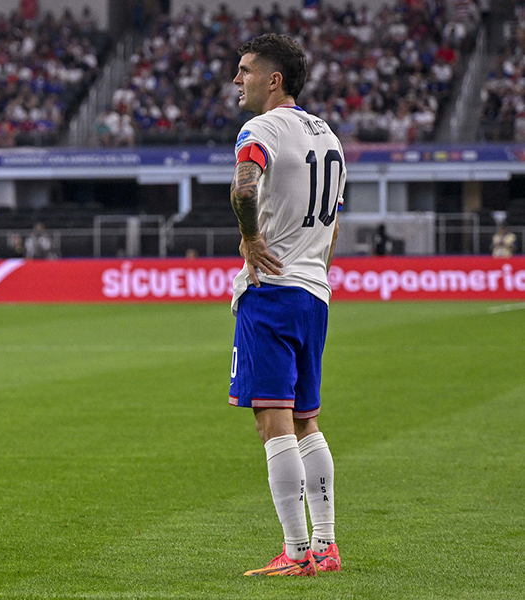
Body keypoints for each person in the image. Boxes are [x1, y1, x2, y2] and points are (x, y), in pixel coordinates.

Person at [229, 33, 344, 577]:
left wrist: (251, 241)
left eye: (246, 70)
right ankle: (326, 544)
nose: (237, 79)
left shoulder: (262, 128)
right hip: (314, 293)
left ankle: (296, 553)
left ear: (274, 80)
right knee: (307, 421)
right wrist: (317, 270)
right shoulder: (328, 136)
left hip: (271, 292)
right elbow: (335, 219)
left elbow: (243, 189)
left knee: (272, 420)